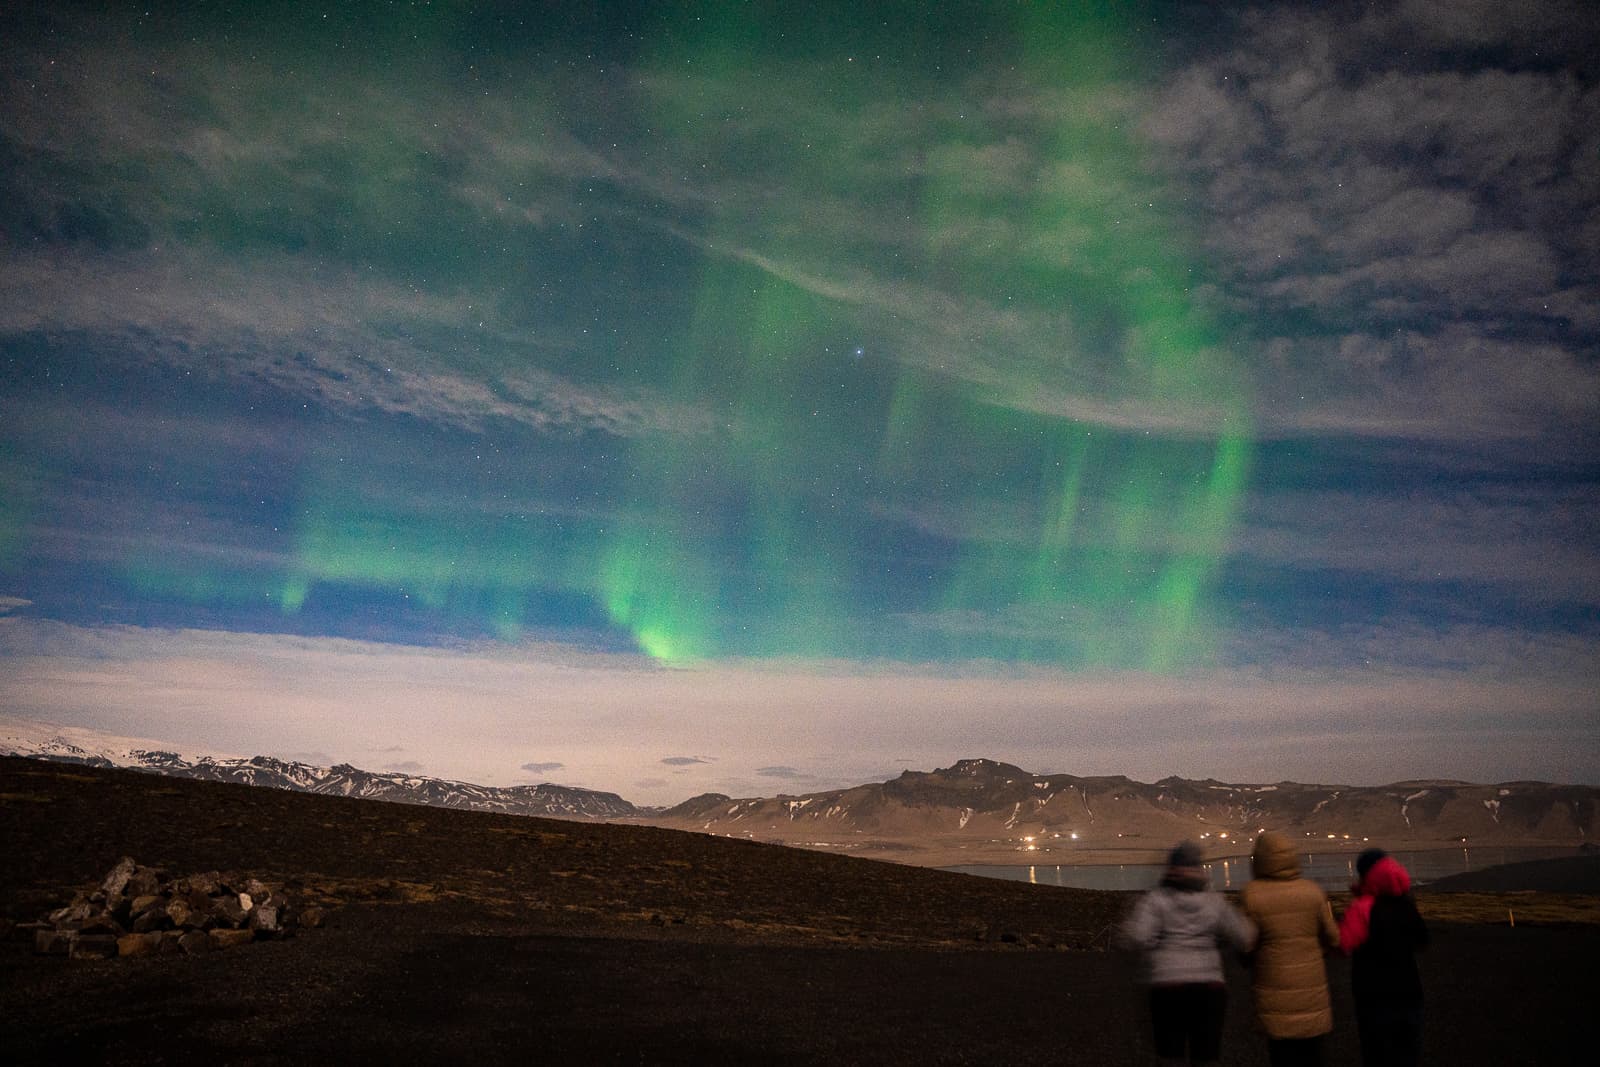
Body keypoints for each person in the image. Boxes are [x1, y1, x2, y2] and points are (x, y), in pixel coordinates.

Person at [1121, 841, 1257, 1065]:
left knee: (1169, 1054)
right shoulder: (1214, 901)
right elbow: (1245, 936)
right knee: (1206, 1054)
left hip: (1167, 986)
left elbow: (1137, 936)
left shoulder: (1156, 900)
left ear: (1171, 868)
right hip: (1209, 988)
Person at [1240, 831, 1340, 1067]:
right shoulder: (1313, 891)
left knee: (1282, 1055)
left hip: (1274, 989)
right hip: (1312, 991)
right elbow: (1334, 938)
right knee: (1314, 1055)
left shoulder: (1252, 894)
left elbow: (1246, 943)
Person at [1340, 848, 1429, 1067]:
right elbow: (1422, 939)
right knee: (1409, 1054)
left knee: (1378, 1054)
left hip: (1374, 996)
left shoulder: (1363, 907)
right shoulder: (1407, 904)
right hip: (1410, 992)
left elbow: (1344, 943)